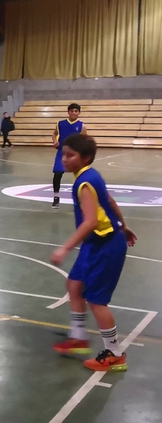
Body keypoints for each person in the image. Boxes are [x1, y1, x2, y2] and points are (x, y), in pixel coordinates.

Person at [50, 134, 137, 372]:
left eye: (70, 155)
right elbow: (109, 202)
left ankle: (115, 353)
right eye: (63, 154)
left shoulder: (84, 183)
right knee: (75, 284)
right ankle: (79, 338)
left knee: (96, 300)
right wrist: (123, 224)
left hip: (106, 245)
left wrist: (64, 247)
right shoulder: (89, 175)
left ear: (85, 158)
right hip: (96, 243)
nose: (65, 159)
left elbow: (89, 222)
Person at [51, 103, 87, 209]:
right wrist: (55, 141)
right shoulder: (60, 123)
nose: (73, 113)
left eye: (76, 111)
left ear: (79, 113)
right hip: (62, 152)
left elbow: (84, 139)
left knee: (79, 176)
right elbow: (54, 134)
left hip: (75, 153)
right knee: (57, 174)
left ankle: (80, 198)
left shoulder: (82, 126)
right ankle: (56, 197)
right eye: (72, 111)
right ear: (68, 112)